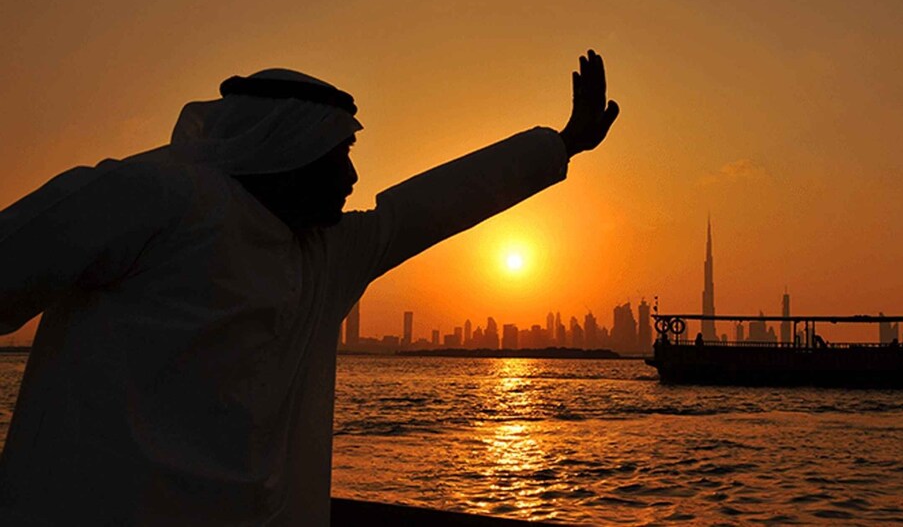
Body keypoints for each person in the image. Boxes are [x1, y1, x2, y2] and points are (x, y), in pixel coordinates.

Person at [0, 51, 619, 525]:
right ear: (286, 148)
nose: (351, 174)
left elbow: (431, 206)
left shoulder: (323, 255)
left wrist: (562, 144)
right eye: (339, 151)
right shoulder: (149, 198)